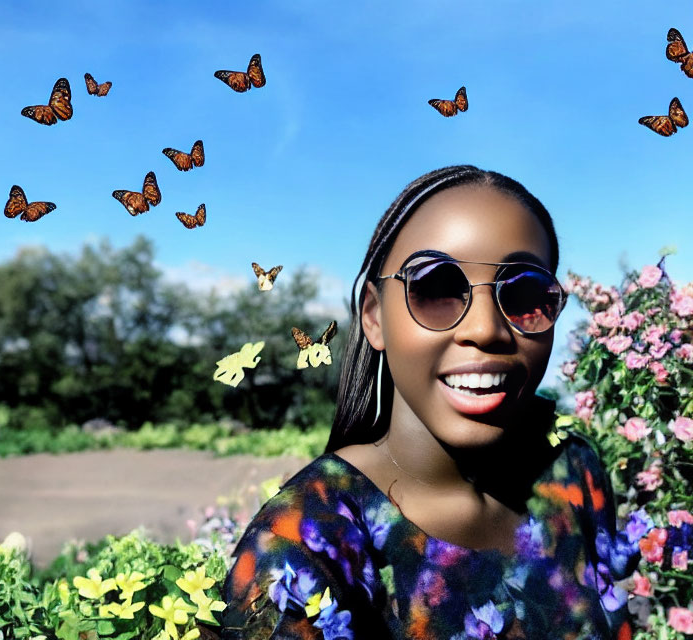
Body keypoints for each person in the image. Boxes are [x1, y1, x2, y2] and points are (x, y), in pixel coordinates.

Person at [219, 165, 641, 639]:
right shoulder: (299, 547)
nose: (485, 329)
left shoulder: (574, 471)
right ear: (375, 319)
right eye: (436, 287)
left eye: (524, 293)